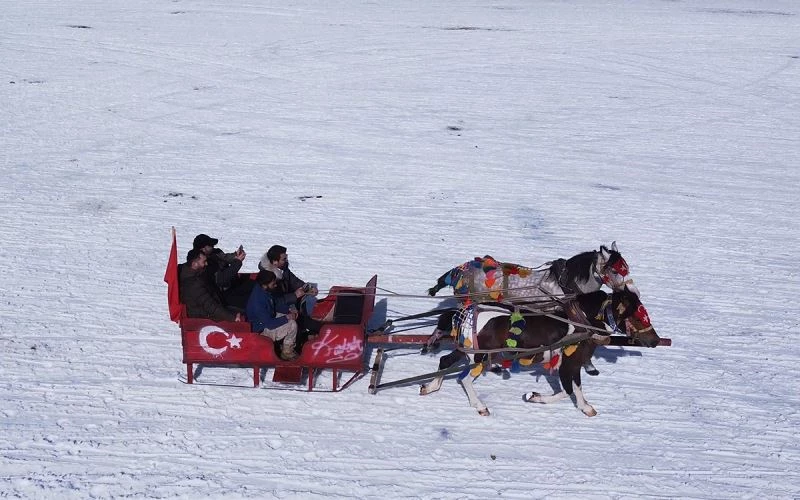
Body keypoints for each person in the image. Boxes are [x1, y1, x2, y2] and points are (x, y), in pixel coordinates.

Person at [246, 270, 299, 361]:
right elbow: (269, 324)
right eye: (273, 284)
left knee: (290, 318)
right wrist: (287, 317)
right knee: (292, 324)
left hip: (267, 318)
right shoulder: (258, 302)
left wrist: (288, 310)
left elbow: (273, 304)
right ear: (265, 285)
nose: (276, 285)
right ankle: (287, 352)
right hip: (261, 329)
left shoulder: (263, 291)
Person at [180, 248, 244, 322]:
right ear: (194, 264)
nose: (206, 264)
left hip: (213, 308)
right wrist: (232, 318)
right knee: (244, 316)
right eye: (204, 262)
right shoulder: (193, 284)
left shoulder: (196, 273)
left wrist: (234, 256)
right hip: (205, 318)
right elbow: (211, 307)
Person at [193, 233, 253, 311]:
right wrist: (237, 262)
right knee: (250, 298)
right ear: (203, 249)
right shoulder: (203, 264)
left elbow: (224, 257)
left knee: (254, 285)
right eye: (210, 245)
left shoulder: (214, 253)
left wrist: (235, 255)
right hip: (222, 295)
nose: (213, 246)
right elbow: (221, 280)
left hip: (232, 285)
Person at [258, 245, 318, 317]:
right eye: (284, 259)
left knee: (308, 298)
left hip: (288, 301)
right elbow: (274, 301)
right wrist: (294, 295)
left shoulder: (282, 268)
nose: (286, 260)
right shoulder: (267, 278)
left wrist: (308, 288)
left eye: (286, 257)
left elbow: (294, 281)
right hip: (277, 310)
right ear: (275, 262)